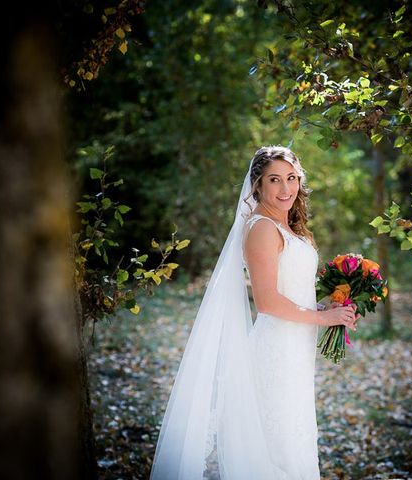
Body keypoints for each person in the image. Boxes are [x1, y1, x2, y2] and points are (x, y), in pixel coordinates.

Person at [150, 146, 358, 480]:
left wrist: (325, 307)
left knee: (293, 441)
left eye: (291, 178)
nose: (285, 188)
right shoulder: (262, 228)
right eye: (274, 180)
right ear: (257, 185)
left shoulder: (288, 227)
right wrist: (322, 319)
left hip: (296, 348)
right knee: (278, 448)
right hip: (276, 351)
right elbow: (267, 301)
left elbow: (289, 292)